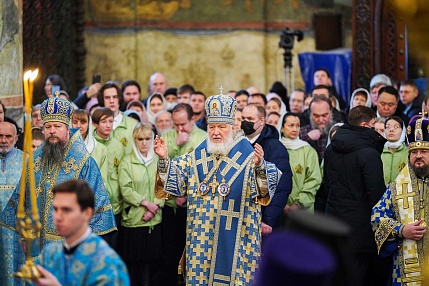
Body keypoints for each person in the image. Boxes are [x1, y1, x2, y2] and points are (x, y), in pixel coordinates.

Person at [154, 90, 281, 285]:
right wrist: (163, 159)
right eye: (212, 126)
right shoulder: (197, 156)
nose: (216, 132)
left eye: (222, 126)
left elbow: (265, 192)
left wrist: (259, 166)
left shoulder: (249, 156)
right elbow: (174, 183)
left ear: (233, 126)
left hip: (239, 244)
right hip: (201, 240)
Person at [1, 96, 116, 258]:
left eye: (57, 126)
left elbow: (98, 208)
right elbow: (20, 199)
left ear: (68, 129)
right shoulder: (35, 162)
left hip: (70, 247)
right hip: (37, 248)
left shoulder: (84, 163)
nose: (52, 130)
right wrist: (22, 233)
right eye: (48, 126)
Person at [324, 106, 390, 286]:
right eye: (373, 124)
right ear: (364, 125)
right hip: (360, 230)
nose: (376, 129)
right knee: (358, 277)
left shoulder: (331, 149)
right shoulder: (369, 154)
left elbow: (327, 184)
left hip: (334, 223)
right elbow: (376, 195)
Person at [34, 179, 129, 286]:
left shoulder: (108, 264)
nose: (58, 217)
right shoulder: (49, 254)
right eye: (55, 209)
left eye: (66, 210)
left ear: (87, 213)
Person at [371, 115, 429, 285]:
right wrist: (401, 230)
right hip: (405, 269)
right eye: (414, 152)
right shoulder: (396, 186)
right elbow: (377, 216)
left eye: (424, 151)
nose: (418, 156)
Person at [159, 103, 206, 285]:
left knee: (193, 252)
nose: (179, 129)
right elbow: (161, 168)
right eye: (175, 125)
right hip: (170, 207)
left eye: (183, 124)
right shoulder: (167, 136)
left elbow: (204, 173)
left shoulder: (203, 138)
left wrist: (186, 195)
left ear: (192, 119)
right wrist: (174, 146)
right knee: (170, 254)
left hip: (193, 208)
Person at [118, 123, 164, 285]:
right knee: (134, 266)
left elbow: (163, 186)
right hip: (134, 220)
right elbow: (126, 189)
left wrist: (153, 208)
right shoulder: (126, 162)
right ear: (134, 140)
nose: (144, 143)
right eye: (140, 139)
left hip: (154, 220)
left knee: (154, 266)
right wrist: (146, 203)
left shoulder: (159, 160)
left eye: (147, 139)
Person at [241, 104, 292, 234]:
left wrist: (269, 218)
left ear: (262, 121)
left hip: (263, 219)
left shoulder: (275, 147)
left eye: (250, 119)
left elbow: (282, 186)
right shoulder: (238, 143)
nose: (245, 122)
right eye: (243, 118)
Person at [92, 107, 125, 250]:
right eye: (103, 121)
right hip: (96, 204)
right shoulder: (90, 145)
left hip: (116, 203)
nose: (108, 125)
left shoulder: (118, 144)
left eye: (111, 121)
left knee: (115, 245)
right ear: (95, 124)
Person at [280, 113, 321, 215]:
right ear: (282, 128)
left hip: (303, 211)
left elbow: (314, 180)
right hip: (279, 209)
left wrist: (298, 204)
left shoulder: (308, 151)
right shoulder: (276, 148)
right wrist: (280, 203)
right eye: (291, 125)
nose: (295, 129)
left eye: (297, 125)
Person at [0, 122, 25, 286]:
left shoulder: (27, 161)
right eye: (0, 136)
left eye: (8, 136)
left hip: (15, 232)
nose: (3, 140)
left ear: (16, 138)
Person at [97, 81, 137, 155]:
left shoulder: (133, 124)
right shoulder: (94, 125)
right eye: (107, 98)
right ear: (102, 100)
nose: (112, 101)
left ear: (119, 99)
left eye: (115, 97)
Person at [72, 109, 108, 183]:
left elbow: (102, 179)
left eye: (83, 122)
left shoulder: (101, 148)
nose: (78, 126)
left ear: (89, 124)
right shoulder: (63, 147)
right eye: (75, 122)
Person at [381, 116, 408, 185]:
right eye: (387, 127)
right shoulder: (379, 151)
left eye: (396, 127)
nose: (391, 130)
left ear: (403, 130)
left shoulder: (408, 152)